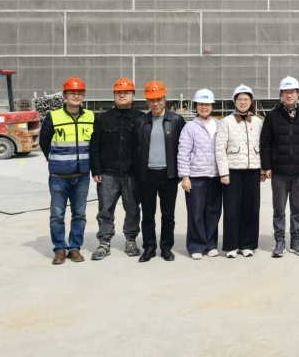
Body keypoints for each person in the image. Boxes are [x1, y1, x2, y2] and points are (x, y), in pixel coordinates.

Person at [39, 77, 94, 265]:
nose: (76, 96)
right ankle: (60, 249)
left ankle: (75, 247)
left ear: (83, 96)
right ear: (65, 95)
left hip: (82, 175)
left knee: (79, 214)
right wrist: (56, 160)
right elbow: (44, 142)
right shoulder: (53, 117)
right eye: (72, 93)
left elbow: (95, 144)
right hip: (58, 176)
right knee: (57, 215)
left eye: (79, 93)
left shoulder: (91, 117)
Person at [88, 77, 144, 260]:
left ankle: (131, 240)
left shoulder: (141, 118)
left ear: (133, 95)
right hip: (108, 174)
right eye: (119, 93)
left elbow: (145, 148)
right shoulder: (103, 118)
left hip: (132, 175)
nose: (122, 95)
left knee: (133, 209)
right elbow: (95, 145)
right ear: (114, 95)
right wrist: (96, 170)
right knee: (105, 210)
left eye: (126, 92)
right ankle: (104, 242)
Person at [260, 76, 299, 258]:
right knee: (279, 209)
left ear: (298, 94)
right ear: (281, 95)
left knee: (297, 208)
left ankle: (296, 240)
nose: (289, 95)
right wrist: (267, 166)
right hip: (279, 171)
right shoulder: (272, 116)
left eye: (292, 92)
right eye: (286, 92)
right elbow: (265, 142)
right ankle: (279, 240)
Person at [133, 80, 186, 262]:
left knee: (168, 214)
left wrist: (181, 172)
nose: (155, 104)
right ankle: (149, 247)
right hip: (146, 175)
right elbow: (135, 150)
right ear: (147, 101)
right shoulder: (141, 121)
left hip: (168, 175)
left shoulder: (176, 120)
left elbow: (183, 147)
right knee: (148, 214)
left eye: (159, 99)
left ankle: (166, 247)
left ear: (165, 99)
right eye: (151, 100)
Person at [216, 85, 263, 258]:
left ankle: (248, 244)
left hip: (253, 171)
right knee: (231, 209)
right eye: (240, 99)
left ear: (251, 102)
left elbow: (264, 147)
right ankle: (231, 245)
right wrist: (224, 172)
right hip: (232, 171)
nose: (243, 102)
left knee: (251, 208)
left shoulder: (258, 122)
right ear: (235, 101)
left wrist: (262, 170)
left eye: (246, 99)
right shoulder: (227, 121)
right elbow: (220, 148)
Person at [177, 89, 224, 260]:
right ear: (196, 106)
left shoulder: (220, 125)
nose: (204, 107)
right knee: (196, 213)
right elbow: (183, 152)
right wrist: (185, 177)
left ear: (212, 106)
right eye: (201, 104)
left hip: (216, 176)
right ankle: (196, 246)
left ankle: (211, 244)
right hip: (196, 176)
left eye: (207, 104)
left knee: (213, 212)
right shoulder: (190, 127)